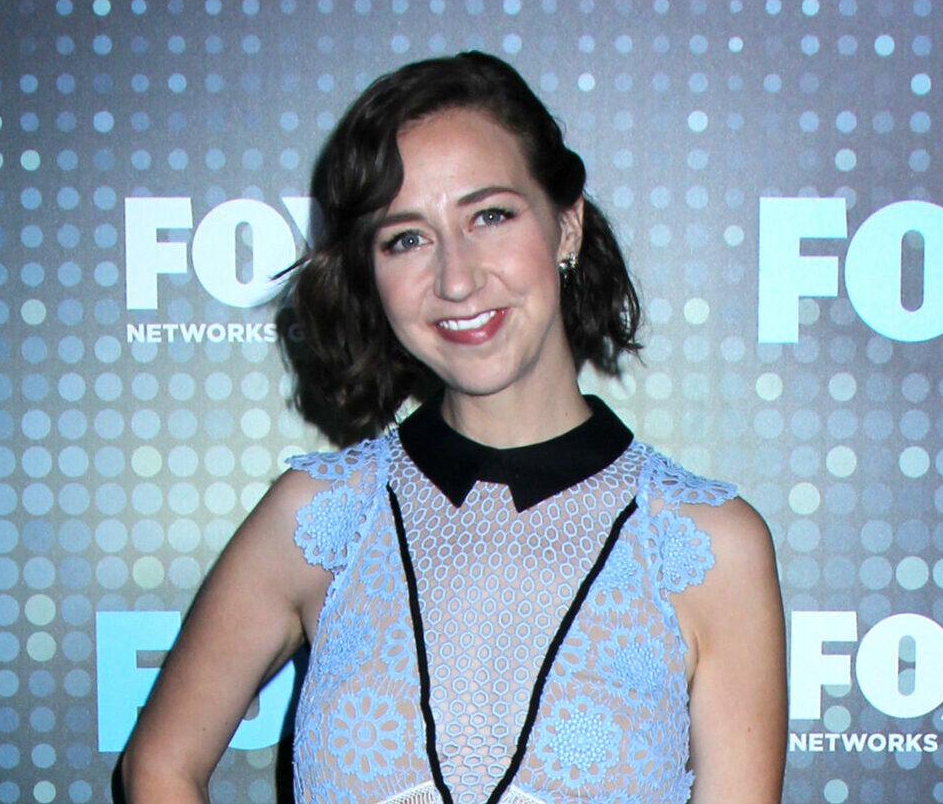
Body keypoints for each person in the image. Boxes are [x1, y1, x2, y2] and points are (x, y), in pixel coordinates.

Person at [122, 51, 786, 804]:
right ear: (370, 273)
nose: (456, 278)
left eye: (489, 216)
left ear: (565, 225)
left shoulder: (707, 545)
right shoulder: (319, 515)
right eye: (405, 237)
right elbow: (160, 767)